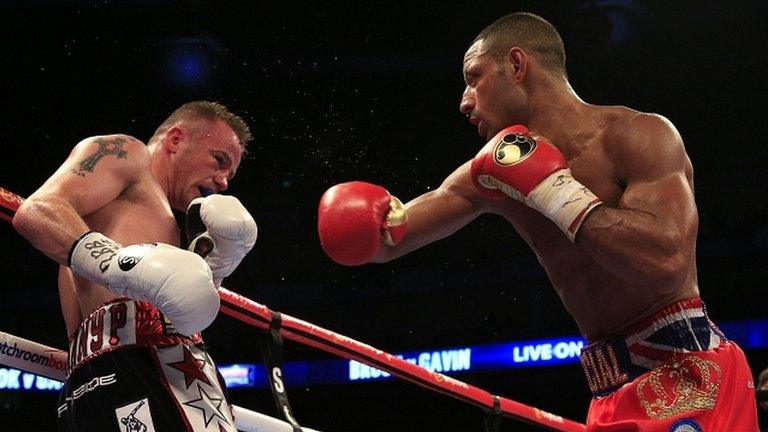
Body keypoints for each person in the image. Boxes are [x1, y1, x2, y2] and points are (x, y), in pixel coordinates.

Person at [317, 12, 758, 430]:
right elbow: (390, 238)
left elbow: (666, 265)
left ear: (516, 64)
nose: (464, 101)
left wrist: (552, 189)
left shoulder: (638, 135)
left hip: (689, 372)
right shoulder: (491, 171)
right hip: (608, 393)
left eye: (474, 78)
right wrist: (366, 227)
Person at [13, 101, 258, 431]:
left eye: (230, 172)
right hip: (150, 366)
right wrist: (118, 263)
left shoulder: (173, 226)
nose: (224, 180)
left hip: (92, 381)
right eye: (219, 160)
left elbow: (182, 312)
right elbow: (38, 210)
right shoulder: (128, 154)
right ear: (175, 139)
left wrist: (218, 267)